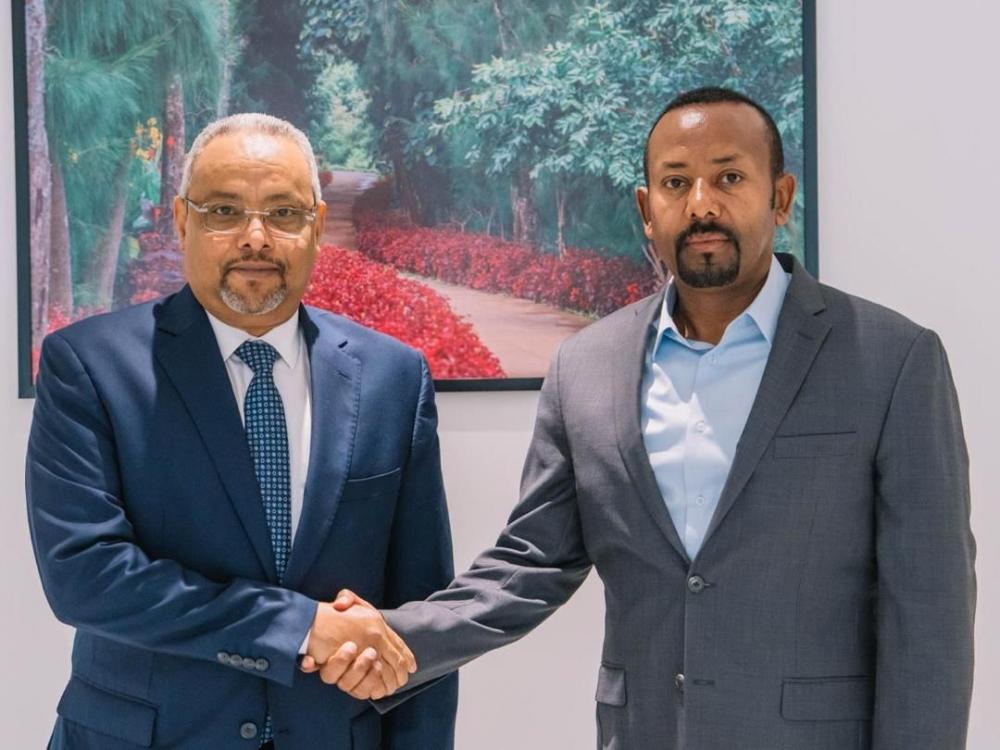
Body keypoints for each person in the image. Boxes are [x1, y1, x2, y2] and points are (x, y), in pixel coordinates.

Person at [312, 88, 976, 749]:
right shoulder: (585, 367)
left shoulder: (891, 360)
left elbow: (930, 606)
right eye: (675, 183)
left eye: (729, 177)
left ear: (780, 197)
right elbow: (531, 563)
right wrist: (394, 636)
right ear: (646, 210)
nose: (701, 204)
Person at [26, 113, 457, 750]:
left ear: (316, 225)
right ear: (182, 221)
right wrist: (300, 627)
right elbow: (87, 578)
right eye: (224, 211)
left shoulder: (394, 378)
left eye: (283, 213)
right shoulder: (89, 366)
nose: (255, 238)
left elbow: (421, 614)